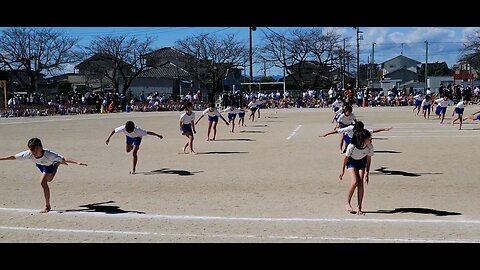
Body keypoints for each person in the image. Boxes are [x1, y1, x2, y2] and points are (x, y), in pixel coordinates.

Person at [0, 138, 87, 213]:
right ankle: (57, 165)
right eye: (32, 150)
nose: (34, 152)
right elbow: (13, 157)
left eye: (36, 150)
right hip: (40, 165)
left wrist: (77, 162)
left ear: (41, 147)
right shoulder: (29, 153)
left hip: (49, 165)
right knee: (49, 180)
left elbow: (64, 158)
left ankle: (47, 206)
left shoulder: (49, 154)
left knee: (43, 182)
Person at [339, 129, 373, 216]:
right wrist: (342, 171)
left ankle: (359, 207)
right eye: (369, 138)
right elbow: (345, 159)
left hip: (361, 163)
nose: (371, 139)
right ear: (362, 139)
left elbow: (368, 159)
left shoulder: (370, 147)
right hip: (351, 162)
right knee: (354, 182)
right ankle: (347, 203)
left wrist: (367, 173)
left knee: (360, 183)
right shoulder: (352, 146)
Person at [321, 121, 392, 153]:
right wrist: (327, 134)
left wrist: (384, 129)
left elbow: (374, 130)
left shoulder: (362, 130)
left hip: (356, 140)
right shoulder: (350, 128)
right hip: (348, 138)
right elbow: (338, 131)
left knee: (366, 139)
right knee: (350, 146)